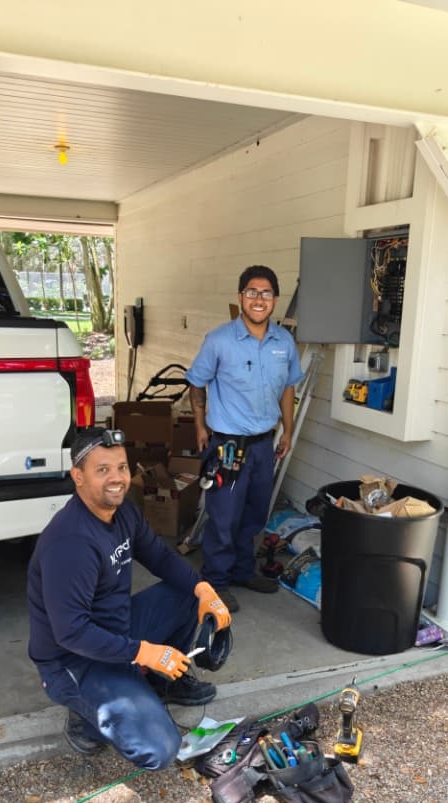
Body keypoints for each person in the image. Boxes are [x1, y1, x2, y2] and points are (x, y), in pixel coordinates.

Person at [27, 427, 231, 770]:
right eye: (102, 469)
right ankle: (86, 714)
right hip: (73, 660)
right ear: (78, 476)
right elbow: (72, 632)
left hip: (118, 629)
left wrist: (204, 590)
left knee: (185, 593)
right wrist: (145, 652)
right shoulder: (70, 542)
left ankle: (160, 681)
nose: (117, 478)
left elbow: (160, 558)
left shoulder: (123, 512)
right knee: (160, 749)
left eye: (121, 467)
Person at [186, 265, 304, 612]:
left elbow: (288, 388)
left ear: (275, 300)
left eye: (266, 293)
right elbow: (196, 383)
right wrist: (199, 427)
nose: (258, 299)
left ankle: (241, 571)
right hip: (227, 445)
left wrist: (288, 430)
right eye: (252, 292)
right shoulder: (219, 340)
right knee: (223, 518)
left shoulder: (283, 341)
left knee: (253, 514)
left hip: (264, 444)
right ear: (240, 297)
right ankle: (216, 582)